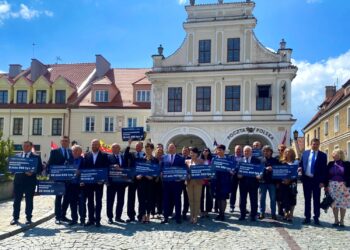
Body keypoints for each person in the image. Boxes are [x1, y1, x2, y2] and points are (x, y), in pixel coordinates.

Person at [11, 141, 42, 225]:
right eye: (24, 146)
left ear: (31, 147)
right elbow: (13, 169)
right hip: (18, 182)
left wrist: (33, 172)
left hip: (30, 182)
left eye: (27, 146)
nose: (25, 148)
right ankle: (15, 218)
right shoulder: (17, 156)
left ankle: (28, 218)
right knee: (16, 200)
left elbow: (40, 169)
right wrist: (11, 168)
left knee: (29, 201)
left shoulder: (36, 157)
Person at [298, 138, 327, 225]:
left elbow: (324, 170)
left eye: (317, 144)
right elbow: (301, 163)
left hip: (317, 181)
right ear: (311, 144)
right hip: (307, 179)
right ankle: (307, 217)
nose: (315, 146)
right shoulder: (305, 153)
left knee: (316, 199)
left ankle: (316, 217)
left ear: (319, 145)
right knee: (307, 199)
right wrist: (300, 168)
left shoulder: (323, 155)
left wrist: (323, 182)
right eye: (313, 144)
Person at [81, 139, 109, 227]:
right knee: (90, 202)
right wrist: (83, 179)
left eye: (96, 144)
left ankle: (97, 220)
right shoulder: (86, 155)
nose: (94, 146)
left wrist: (103, 180)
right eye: (93, 144)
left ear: (99, 145)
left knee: (98, 202)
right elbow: (84, 168)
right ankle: (91, 219)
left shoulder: (104, 155)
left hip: (99, 183)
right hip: (89, 183)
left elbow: (106, 168)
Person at [47, 135, 74, 225]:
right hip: (58, 179)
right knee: (58, 198)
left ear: (69, 142)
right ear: (60, 142)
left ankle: (63, 215)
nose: (64, 142)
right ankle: (57, 217)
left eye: (66, 141)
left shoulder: (71, 152)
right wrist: (50, 175)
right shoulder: (54, 152)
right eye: (63, 141)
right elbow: (50, 164)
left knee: (67, 198)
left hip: (69, 180)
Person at [161, 143, 185, 224]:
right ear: (168, 149)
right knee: (166, 200)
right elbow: (161, 168)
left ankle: (178, 217)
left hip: (177, 184)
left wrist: (181, 178)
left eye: (173, 147)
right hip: (166, 183)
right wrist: (161, 173)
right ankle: (165, 217)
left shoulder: (181, 158)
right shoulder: (163, 157)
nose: (171, 149)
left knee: (177, 200)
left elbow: (183, 170)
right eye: (170, 147)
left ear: (175, 148)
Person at [325, 149, 350, 227]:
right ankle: (336, 220)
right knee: (334, 203)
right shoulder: (330, 164)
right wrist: (326, 185)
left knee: (343, 204)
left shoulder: (347, 164)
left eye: (335, 154)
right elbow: (326, 175)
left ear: (340, 155)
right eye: (333, 154)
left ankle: (342, 221)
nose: (333, 155)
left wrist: (348, 183)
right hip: (332, 186)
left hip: (343, 186)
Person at [106, 143, 129, 224]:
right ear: (111, 149)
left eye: (117, 147)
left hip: (121, 183)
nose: (115, 149)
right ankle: (110, 217)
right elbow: (105, 168)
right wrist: (112, 166)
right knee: (110, 201)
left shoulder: (123, 157)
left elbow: (127, 168)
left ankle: (118, 217)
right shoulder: (108, 157)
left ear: (119, 149)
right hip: (111, 183)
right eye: (113, 147)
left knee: (120, 201)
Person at [238, 145, 261, 221]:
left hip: (253, 183)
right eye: (245, 151)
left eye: (248, 151)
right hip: (243, 183)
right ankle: (242, 215)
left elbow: (260, 171)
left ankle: (253, 215)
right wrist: (238, 175)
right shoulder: (240, 160)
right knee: (242, 200)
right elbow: (237, 170)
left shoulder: (256, 160)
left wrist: (259, 175)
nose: (246, 152)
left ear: (251, 152)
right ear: (243, 152)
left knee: (254, 200)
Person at [137, 142, 158, 223]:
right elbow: (137, 170)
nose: (147, 150)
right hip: (142, 182)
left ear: (152, 149)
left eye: (149, 149)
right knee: (141, 199)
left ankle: (148, 215)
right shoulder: (141, 159)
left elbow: (156, 171)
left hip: (150, 182)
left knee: (150, 199)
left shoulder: (155, 160)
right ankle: (143, 215)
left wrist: (152, 177)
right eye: (146, 149)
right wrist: (138, 175)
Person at [125, 140, 145, 223]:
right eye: (137, 146)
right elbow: (125, 155)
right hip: (132, 179)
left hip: (142, 179)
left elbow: (147, 167)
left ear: (142, 147)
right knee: (131, 198)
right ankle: (131, 216)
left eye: (139, 146)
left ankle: (141, 216)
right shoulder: (131, 154)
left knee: (142, 199)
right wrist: (129, 144)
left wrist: (142, 175)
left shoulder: (145, 155)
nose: (138, 147)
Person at [259, 145, 279, 220]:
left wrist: (273, 169)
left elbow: (278, 171)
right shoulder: (260, 160)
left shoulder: (275, 160)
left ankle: (273, 213)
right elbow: (257, 169)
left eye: (267, 151)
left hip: (272, 182)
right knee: (262, 198)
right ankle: (262, 213)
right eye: (264, 151)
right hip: (262, 182)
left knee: (273, 199)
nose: (266, 152)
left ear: (271, 152)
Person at [214, 144, 233, 221]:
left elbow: (232, 169)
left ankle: (223, 214)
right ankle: (220, 213)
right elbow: (212, 169)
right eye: (217, 150)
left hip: (225, 181)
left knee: (224, 198)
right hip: (216, 181)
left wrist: (231, 171)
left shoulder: (228, 159)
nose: (218, 151)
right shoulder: (214, 159)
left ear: (224, 151)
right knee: (218, 198)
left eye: (220, 150)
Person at [280, 148, 298, 222]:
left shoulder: (296, 162)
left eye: (289, 152)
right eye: (286, 152)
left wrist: (290, 180)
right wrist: (283, 180)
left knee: (292, 199)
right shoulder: (282, 162)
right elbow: (279, 172)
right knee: (284, 199)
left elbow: (297, 173)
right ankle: (285, 214)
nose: (287, 153)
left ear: (292, 153)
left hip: (293, 183)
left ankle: (291, 214)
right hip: (283, 183)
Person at [186, 147, 204, 224]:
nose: (192, 154)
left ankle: (195, 216)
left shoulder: (201, 161)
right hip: (189, 182)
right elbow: (185, 172)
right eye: (191, 153)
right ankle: (191, 215)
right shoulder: (187, 161)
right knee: (190, 200)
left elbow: (203, 171)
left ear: (197, 154)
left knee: (197, 199)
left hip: (198, 182)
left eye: (193, 153)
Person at [69, 145, 85, 226]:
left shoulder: (84, 160)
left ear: (80, 152)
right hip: (71, 185)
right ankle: (74, 219)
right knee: (72, 203)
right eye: (73, 151)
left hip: (81, 185)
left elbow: (88, 170)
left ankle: (82, 220)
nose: (74, 152)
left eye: (76, 151)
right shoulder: (68, 160)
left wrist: (80, 172)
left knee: (81, 203)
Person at [200, 147, 213, 218]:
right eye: (204, 151)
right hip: (201, 180)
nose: (205, 152)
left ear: (209, 152)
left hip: (209, 180)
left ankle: (207, 210)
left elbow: (213, 170)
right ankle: (201, 210)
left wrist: (210, 178)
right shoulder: (200, 160)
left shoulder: (211, 160)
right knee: (201, 196)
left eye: (207, 151)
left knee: (209, 196)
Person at [230, 145, 242, 213]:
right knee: (233, 192)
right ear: (234, 150)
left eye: (240, 149)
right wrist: (230, 171)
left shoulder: (243, 157)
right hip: (233, 177)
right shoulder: (231, 157)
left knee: (242, 193)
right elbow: (228, 165)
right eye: (237, 149)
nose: (238, 151)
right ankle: (232, 206)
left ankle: (242, 207)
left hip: (242, 177)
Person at [152, 147, 164, 218]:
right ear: (156, 152)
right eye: (158, 152)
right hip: (153, 180)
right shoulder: (153, 160)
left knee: (160, 197)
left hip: (162, 181)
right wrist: (155, 177)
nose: (159, 153)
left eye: (161, 152)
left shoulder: (164, 160)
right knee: (153, 197)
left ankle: (160, 211)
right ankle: (152, 212)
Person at [276, 144, 287, 217]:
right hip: (278, 180)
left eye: (282, 149)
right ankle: (279, 209)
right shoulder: (276, 158)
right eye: (279, 150)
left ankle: (284, 210)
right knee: (278, 196)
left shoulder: (288, 158)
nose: (281, 151)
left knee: (285, 196)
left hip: (286, 180)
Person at [181, 146, 190, 220]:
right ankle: (176, 211)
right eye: (184, 150)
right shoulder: (178, 158)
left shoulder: (191, 159)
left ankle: (184, 212)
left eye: (186, 151)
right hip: (178, 181)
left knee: (186, 198)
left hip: (187, 181)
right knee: (177, 197)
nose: (185, 152)